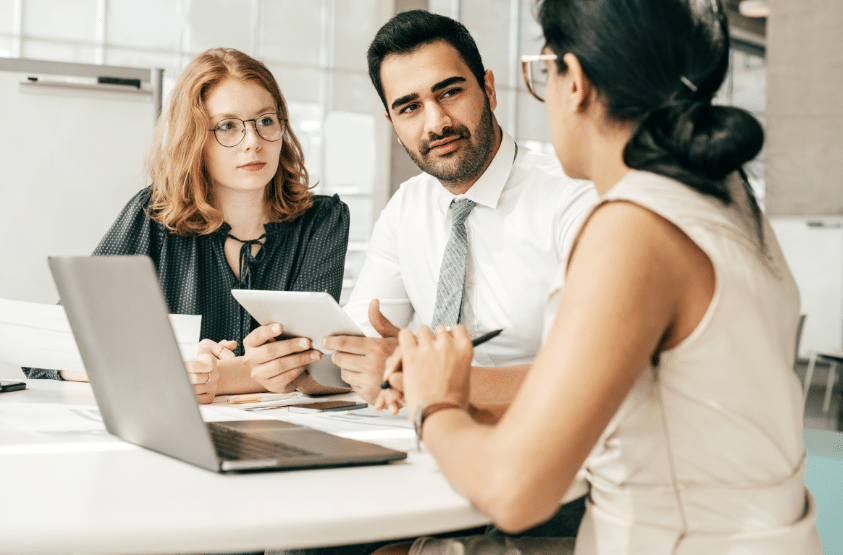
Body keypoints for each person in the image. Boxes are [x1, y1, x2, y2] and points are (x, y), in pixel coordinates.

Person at [372, 0, 824, 553]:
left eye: (544, 73)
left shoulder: (632, 230)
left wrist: (433, 400)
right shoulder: (722, 195)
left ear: (575, 82)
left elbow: (512, 493)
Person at [23, 48, 350, 403]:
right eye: (227, 126)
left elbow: (311, 362)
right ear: (195, 140)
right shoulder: (153, 215)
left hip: (282, 438)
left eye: (266, 121)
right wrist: (157, 368)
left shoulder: (321, 221)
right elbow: (47, 346)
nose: (253, 142)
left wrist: (215, 377)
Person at [326, 9, 596, 417]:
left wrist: (429, 380)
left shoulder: (573, 198)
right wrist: (287, 365)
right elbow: (356, 348)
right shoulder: (407, 206)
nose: (437, 123)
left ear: (488, 88)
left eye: (450, 92)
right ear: (392, 122)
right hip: (430, 438)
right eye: (410, 108)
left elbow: (593, 373)